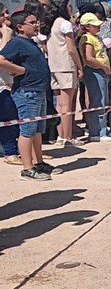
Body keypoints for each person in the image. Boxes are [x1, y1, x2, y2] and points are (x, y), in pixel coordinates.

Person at [0, 10, 63, 180]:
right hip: (27, 92)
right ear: (20, 27)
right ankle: (27, 168)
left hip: (38, 91)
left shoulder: (31, 42)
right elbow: (1, 59)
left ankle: (38, 163)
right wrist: (20, 70)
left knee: (37, 130)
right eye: (32, 22)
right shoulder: (17, 43)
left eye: (37, 22)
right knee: (27, 130)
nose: (37, 25)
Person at [41, 0, 83, 146]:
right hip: (66, 66)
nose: (71, 8)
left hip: (53, 65)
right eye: (69, 5)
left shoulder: (50, 23)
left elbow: (45, 46)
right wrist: (79, 66)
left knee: (60, 103)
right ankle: (68, 137)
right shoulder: (65, 23)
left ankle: (61, 136)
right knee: (67, 104)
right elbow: (71, 48)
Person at [78, 13, 111, 142]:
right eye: (94, 25)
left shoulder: (95, 37)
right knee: (98, 101)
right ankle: (96, 132)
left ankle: (102, 128)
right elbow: (88, 57)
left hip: (100, 71)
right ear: (87, 26)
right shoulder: (87, 38)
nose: (98, 27)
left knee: (103, 100)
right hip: (93, 71)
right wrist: (103, 66)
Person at [0, 3, 22, 166]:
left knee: (12, 118)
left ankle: (14, 149)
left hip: (10, 82)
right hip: (1, 86)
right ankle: (10, 152)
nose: (7, 16)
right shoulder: (6, 36)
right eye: (3, 13)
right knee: (6, 118)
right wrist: (7, 36)